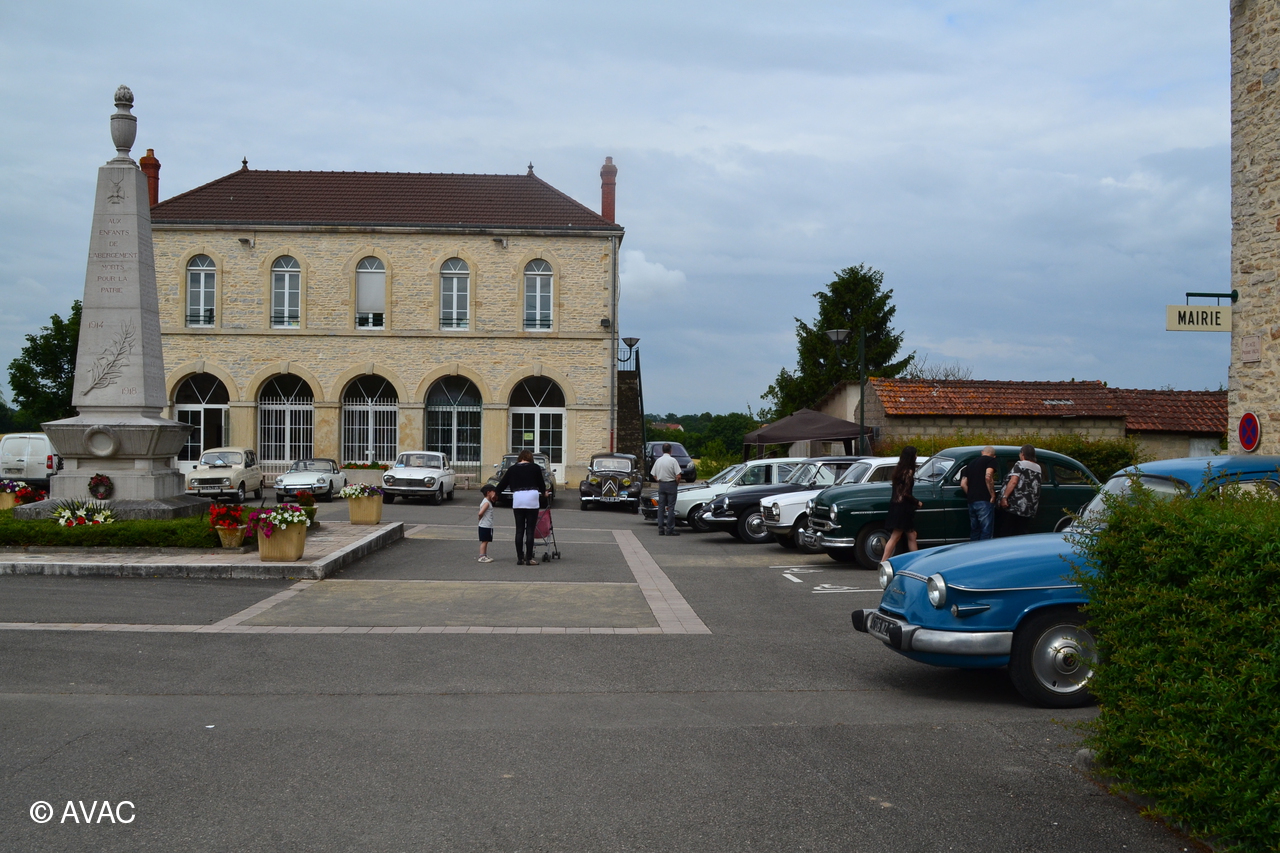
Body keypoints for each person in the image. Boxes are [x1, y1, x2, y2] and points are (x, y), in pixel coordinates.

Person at [494, 449, 548, 565]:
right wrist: (544, 493)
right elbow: (541, 483)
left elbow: (503, 483)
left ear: (520, 458)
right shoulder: (535, 468)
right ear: (530, 458)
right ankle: (529, 558)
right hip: (532, 498)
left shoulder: (512, 469)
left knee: (519, 530)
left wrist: (496, 493)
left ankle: (520, 558)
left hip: (518, 498)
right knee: (530, 530)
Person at [882, 447, 923, 560]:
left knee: (912, 535)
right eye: (915, 454)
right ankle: (883, 561)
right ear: (911, 457)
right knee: (895, 537)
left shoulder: (899, 470)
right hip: (903, 508)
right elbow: (905, 493)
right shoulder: (908, 472)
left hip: (896, 506)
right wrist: (917, 502)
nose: (916, 457)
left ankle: (916, 560)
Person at [998, 445, 1042, 536]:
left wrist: (1004, 497)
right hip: (1030, 506)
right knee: (1022, 529)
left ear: (1023, 454)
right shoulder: (1038, 468)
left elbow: (1013, 481)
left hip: (1016, 504)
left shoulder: (1020, 464)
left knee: (1008, 529)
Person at [959, 446, 998, 541]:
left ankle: (974, 548)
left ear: (982, 452)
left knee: (975, 530)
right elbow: (988, 477)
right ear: (994, 456)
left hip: (972, 500)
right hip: (984, 499)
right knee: (986, 530)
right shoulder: (991, 460)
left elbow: (963, 484)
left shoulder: (971, 463)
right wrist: (993, 495)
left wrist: (970, 494)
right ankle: (985, 549)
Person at [651, 442, 683, 536]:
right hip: (671, 484)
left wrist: (659, 480)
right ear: (670, 450)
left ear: (662, 450)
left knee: (661, 508)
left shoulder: (658, 461)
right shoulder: (673, 461)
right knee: (671, 507)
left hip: (662, 484)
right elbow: (678, 476)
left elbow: (653, 474)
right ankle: (670, 529)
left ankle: (661, 528)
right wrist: (676, 483)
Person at [477, 484, 496, 562]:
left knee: (485, 541)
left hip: (486, 525)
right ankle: (482, 556)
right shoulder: (487, 503)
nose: (495, 493)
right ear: (488, 492)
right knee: (484, 542)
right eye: (493, 492)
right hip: (485, 525)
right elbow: (480, 513)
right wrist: (480, 517)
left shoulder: (487, 501)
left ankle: (484, 554)